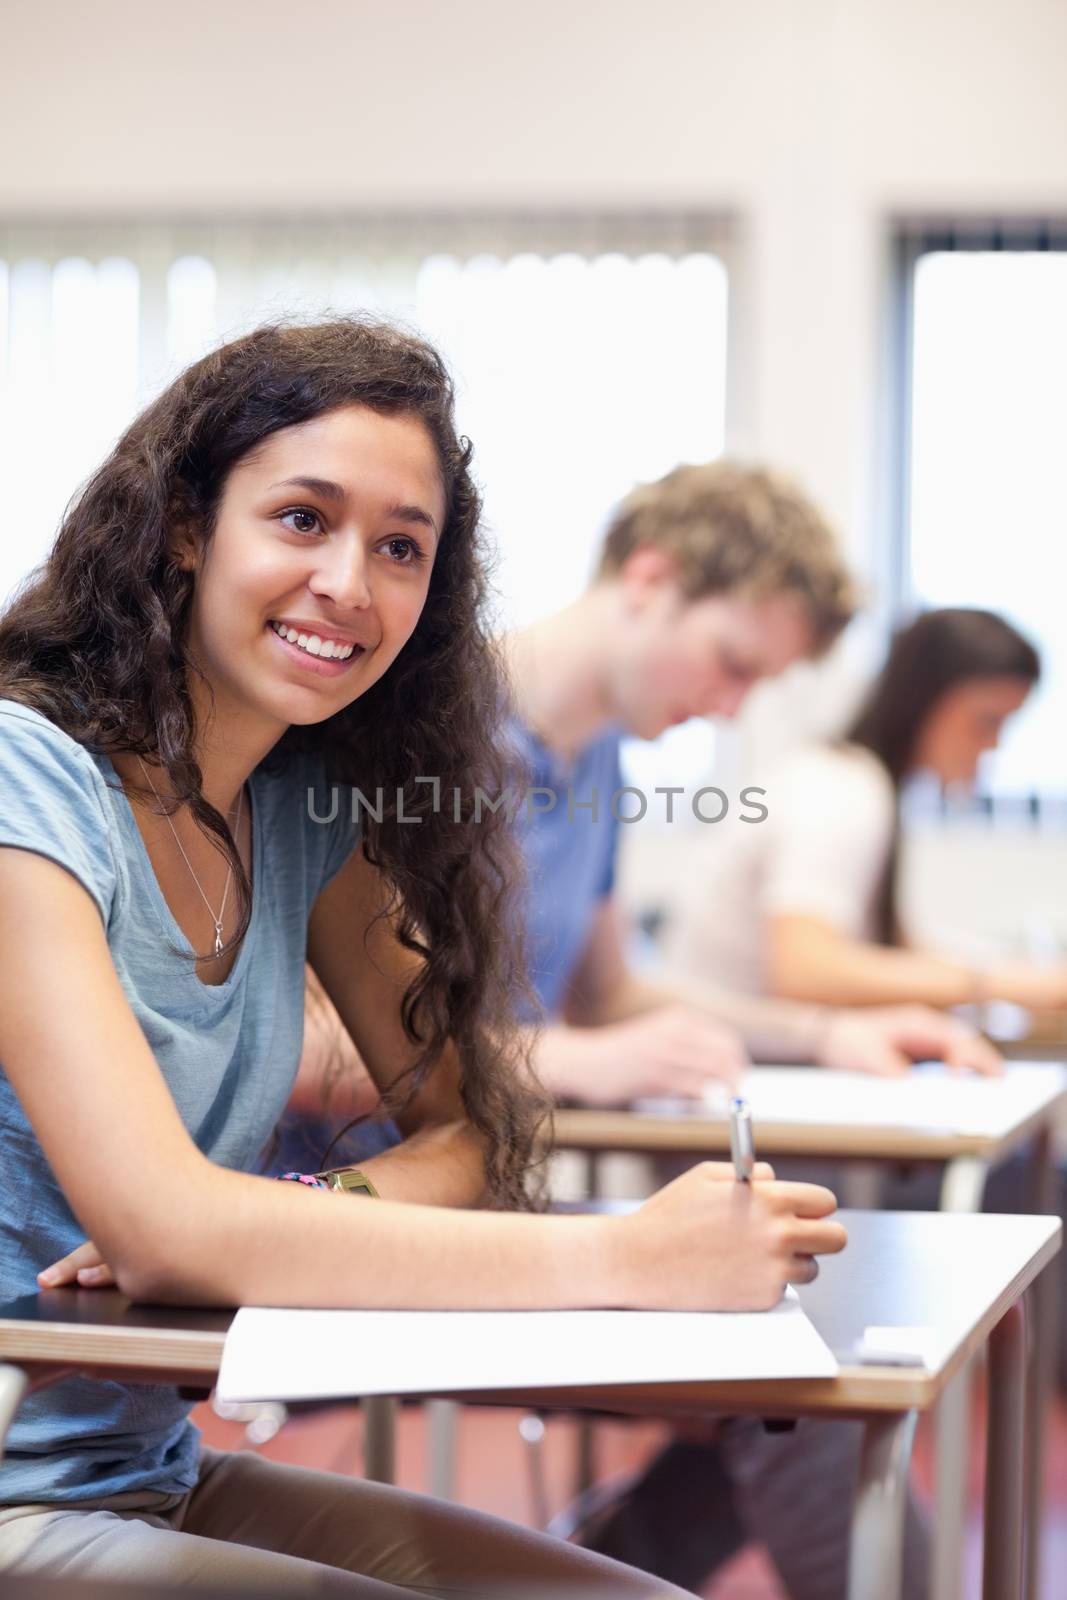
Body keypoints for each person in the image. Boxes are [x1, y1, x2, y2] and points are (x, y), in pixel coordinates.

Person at [0, 318, 850, 1596]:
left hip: (146, 1467)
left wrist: (291, 1214)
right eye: (301, 518)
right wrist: (629, 1258)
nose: (351, 580)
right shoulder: (27, 783)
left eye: (400, 546)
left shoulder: (300, 808)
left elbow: (471, 1127)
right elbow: (166, 1230)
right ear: (185, 526)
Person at [503, 466, 1005, 1599]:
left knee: (804, 1342)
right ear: (651, 578)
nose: (731, 707)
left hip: (485, 1167)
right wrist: (585, 1061)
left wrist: (820, 1034)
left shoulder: (597, 761)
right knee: (807, 1368)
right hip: (385, 1186)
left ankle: (579, 1574)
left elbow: (612, 996)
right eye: (733, 664)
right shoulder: (427, 735)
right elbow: (355, 1037)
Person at [663, 606, 1066, 1012]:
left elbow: (896, 953)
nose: (994, 745)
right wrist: (1001, 985)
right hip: (726, 1050)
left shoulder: (858, 781)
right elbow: (804, 971)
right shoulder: (843, 790)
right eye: (987, 720)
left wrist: (1020, 977)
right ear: (924, 700)